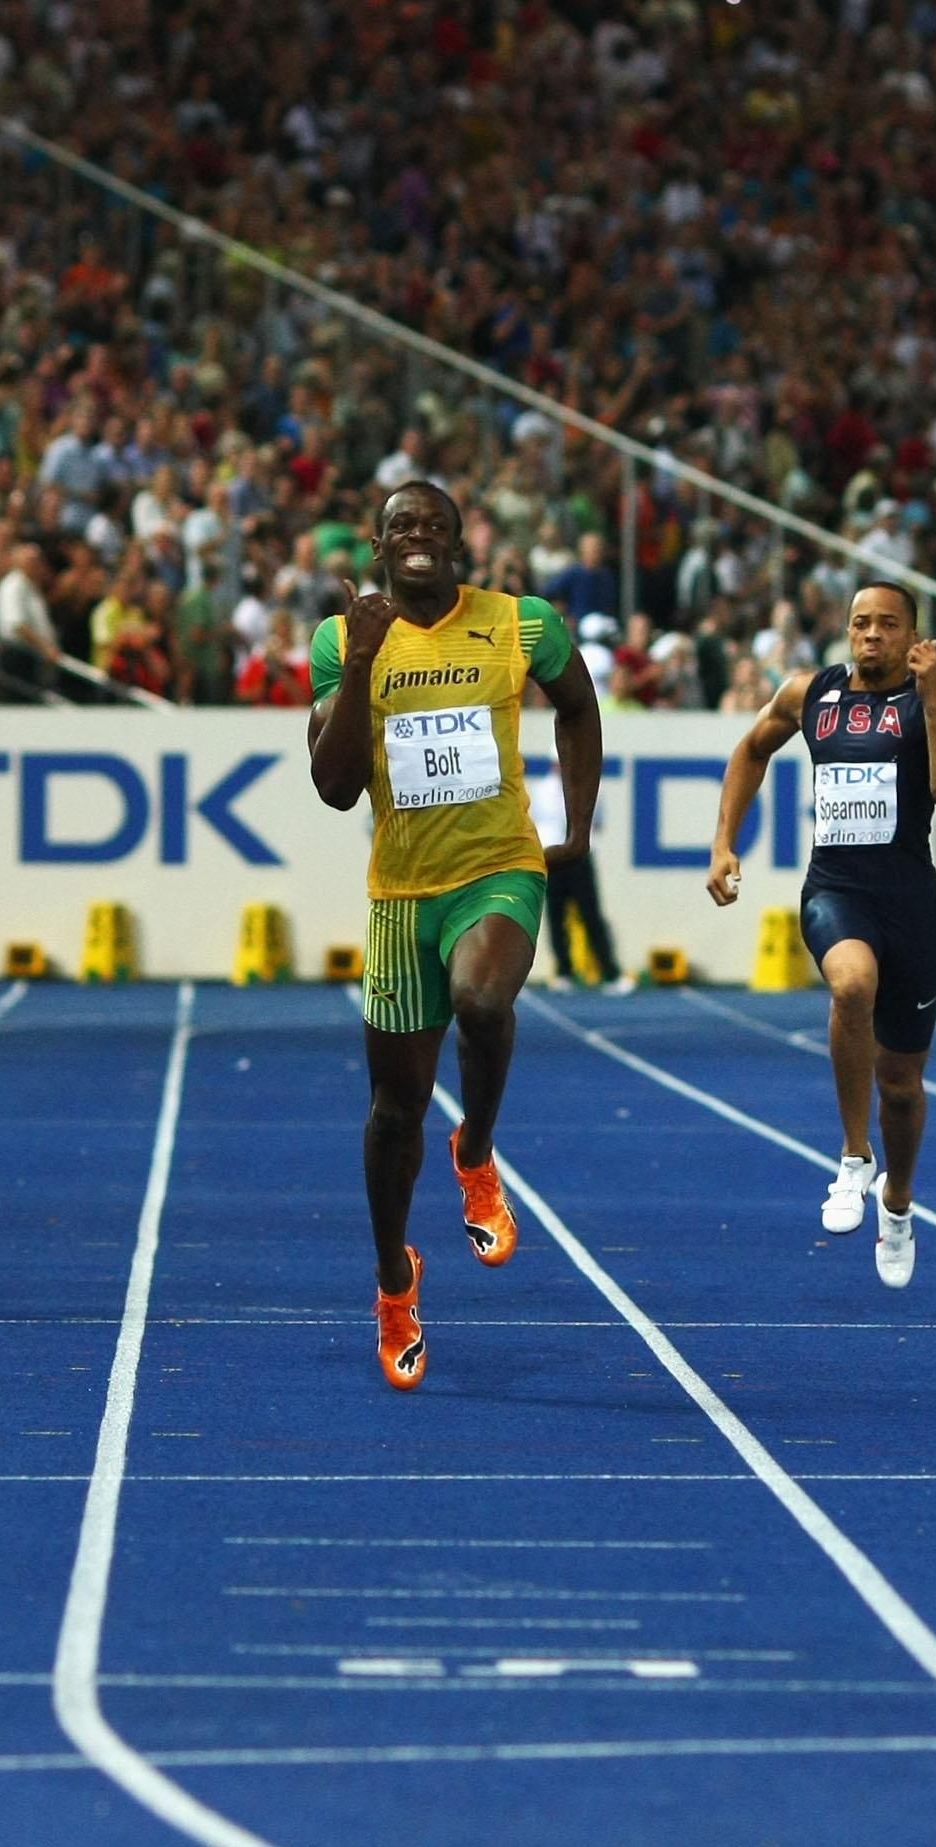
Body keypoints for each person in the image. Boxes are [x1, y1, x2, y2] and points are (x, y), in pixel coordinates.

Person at [306, 479, 604, 1388]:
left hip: (499, 870)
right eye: (403, 526)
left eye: (435, 524)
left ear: (460, 542)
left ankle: (475, 1149)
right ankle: (396, 1278)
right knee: (394, 1110)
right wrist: (358, 663)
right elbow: (333, 785)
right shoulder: (338, 638)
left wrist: (578, 827)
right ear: (378, 546)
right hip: (400, 895)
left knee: (483, 998)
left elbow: (579, 706)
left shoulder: (520, 624)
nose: (420, 537)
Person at [707, 583, 936, 1285]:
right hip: (836, 893)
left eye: (887, 625)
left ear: (912, 636)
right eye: (860, 623)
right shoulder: (811, 694)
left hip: (911, 904)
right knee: (850, 984)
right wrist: (722, 844)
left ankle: (897, 1199)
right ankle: (854, 1158)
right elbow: (749, 751)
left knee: (901, 1083)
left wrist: (928, 701)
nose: (870, 636)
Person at [530, 755, 631, 994]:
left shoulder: (591, 787)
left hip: (579, 856)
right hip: (553, 854)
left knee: (590, 914)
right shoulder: (542, 789)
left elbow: (598, 822)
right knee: (556, 915)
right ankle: (564, 971)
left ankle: (610, 972)